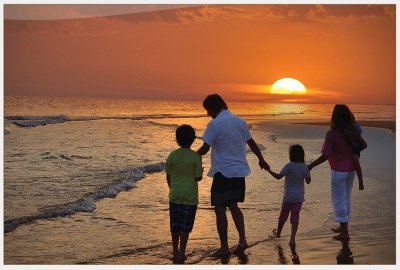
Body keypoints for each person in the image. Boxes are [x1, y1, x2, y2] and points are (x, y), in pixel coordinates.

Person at [197, 94, 269, 256]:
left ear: (215, 107)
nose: (208, 114)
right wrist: (261, 159)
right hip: (239, 172)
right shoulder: (240, 122)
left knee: (220, 208)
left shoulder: (214, 124)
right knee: (234, 206)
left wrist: (188, 156)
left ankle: (224, 247)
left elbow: (204, 149)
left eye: (208, 110)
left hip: (223, 172)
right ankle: (242, 240)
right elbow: (251, 142)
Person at [308, 104, 367, 241]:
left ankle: (345, 232)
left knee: (338, 200)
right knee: (346, 198)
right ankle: (343, 227)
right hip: (351, 169)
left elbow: (326, 155)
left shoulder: (332, 134)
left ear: (334, 117)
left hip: (338, 172)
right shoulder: (351, 132)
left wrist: (311, 165)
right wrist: (352, 153)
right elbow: (363, 145)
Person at [165, 124, 203, 264]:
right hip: (189, 197)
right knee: (185, 227)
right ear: (193, 140)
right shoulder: (195, 157)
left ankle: (174, 252)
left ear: (177, 139)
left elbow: (168, 175)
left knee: (174, 225)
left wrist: (172, 188)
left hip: (175, 194)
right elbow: (198, 177)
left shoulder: (172, 155)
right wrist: (202, 172)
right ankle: (182, 253)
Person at [266, 144, 311, 247]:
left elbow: (278, 177)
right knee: (295, 217)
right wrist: (307, 171)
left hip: (288, 196)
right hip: (299, 197)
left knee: (283, 216)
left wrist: (268, 170)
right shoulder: (305, 167)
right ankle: (292, 239)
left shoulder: (289, 165)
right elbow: (308, 181)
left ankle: (278, 233)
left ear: (291, 155)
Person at [345, 112, 367, 190]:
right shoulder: (345, 127)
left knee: (355, 161)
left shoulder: (355, 126)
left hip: (355, 149)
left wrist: (349, 133)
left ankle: (360, 181)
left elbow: (358, 133)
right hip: (350, 148)